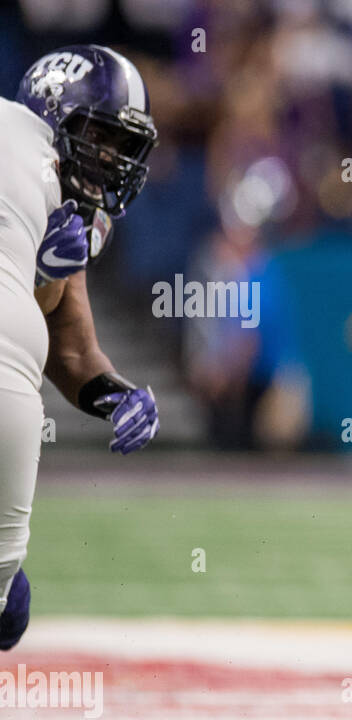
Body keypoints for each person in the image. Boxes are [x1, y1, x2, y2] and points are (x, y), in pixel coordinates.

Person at [0, 45, 161, 650]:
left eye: (124, 146)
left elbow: (69, 349)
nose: (111, 158)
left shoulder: (77, 213)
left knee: (10, 608)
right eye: (99, 135)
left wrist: (117, 397)